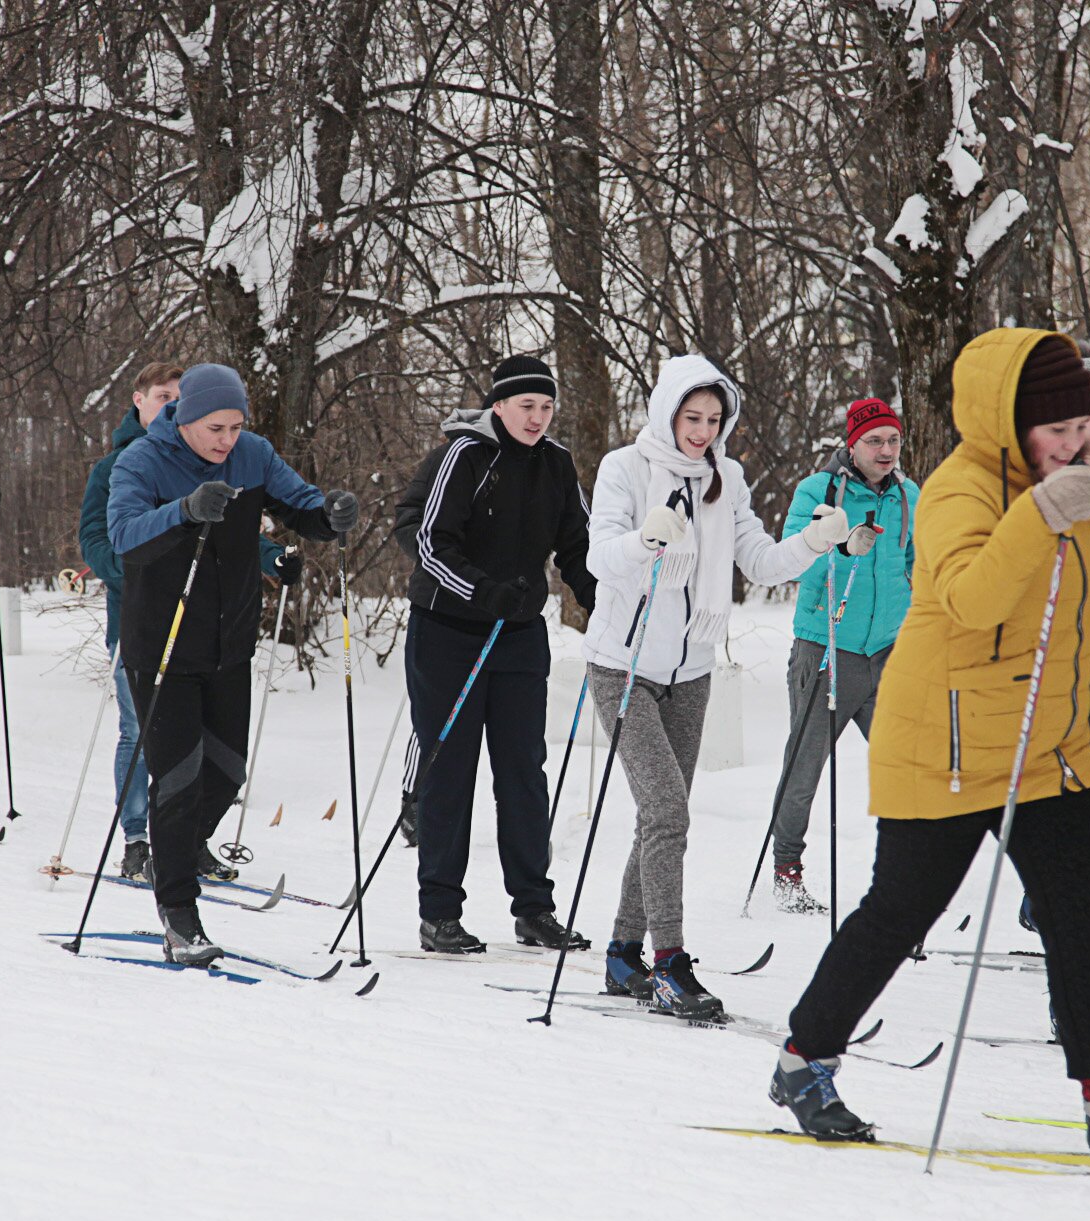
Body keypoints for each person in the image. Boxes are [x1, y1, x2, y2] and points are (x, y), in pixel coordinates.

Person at [768, 328, 1090, 1162]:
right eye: (1058, 430)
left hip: (1047, 745)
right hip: (949, 746)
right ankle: (803, 1059)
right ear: (1012, 420)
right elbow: (971, 598)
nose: (1075, 444)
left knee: (1081, 918)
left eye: (1085, 428)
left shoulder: (1062, 479)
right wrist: (1043, 513)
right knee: (900, 911)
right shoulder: (961, 491)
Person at [586, 354, 846, 1018]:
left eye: (713, 419)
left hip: (692, 671)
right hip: (622, 666)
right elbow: (600, 559)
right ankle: (670, 966)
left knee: (657, 817)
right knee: (669, 812)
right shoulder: (627, 468)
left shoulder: (724, 479)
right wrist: (647, 540)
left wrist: (814, 542)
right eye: (691, 417)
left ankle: (622, 954)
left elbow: (759, 560)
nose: (702, 431)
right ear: (667, 411)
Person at [106, 363, 357, 965]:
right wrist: (187, 509)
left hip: (228, 646)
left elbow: (301, 504)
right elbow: (122, 537)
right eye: (216, 427)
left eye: (236, 426)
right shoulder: (143, 462)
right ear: (185, 419)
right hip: (162, 646)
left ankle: (180, 851)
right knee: (179, 781)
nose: (227, 439)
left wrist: (330, 514)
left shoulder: (253, 455)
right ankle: (180, 916)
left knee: (226, 772)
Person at [392, 355, 597, 954]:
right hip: (448, 633)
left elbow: (577, 546)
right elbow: (422, 536)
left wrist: (598, 603)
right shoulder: (463, 455)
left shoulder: (556, 464)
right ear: (499, 406)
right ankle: (440, 913)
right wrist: (482, 590)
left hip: (518, 637)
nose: (537, 417)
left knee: (523, 774)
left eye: (546, 406)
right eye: (525, 406)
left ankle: (534, 909)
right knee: (450, 773)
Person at [78, 361, 290, 883]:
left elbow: (224, 534)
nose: (169, 404)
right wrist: (145, 576)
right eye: (161, 395)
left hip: (204, 626)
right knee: (140, 730)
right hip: (145, 619)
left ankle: (185, 842)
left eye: (178, 395)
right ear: (139, 401)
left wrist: (269, 557)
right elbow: (99, 540)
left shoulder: (212, 457)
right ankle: (137, 839)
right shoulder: (120, 464)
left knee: (203, 752)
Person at [765, 397, 915, 913]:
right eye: (875, 440)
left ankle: (904, 880)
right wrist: (840, 547)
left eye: (893, 439)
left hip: (890, 653)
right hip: (827, 648)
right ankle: (787, 870)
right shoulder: (819, 492)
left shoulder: (909, 496)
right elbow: (790, 564)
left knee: (907, 769)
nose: (886, 450)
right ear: (851, 445)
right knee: (804, 767)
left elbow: (918, 566)